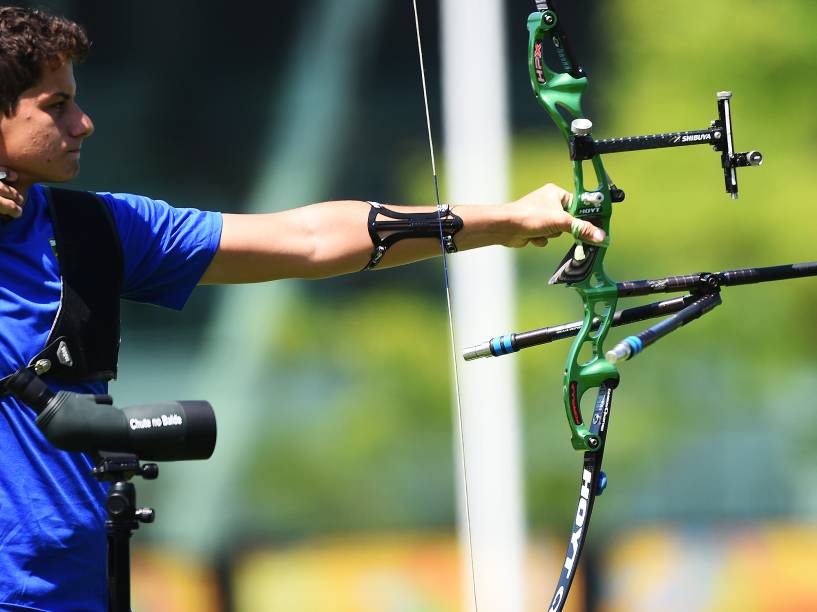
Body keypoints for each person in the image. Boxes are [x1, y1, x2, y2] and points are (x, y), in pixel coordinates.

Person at [0, 6, 604, 610]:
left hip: (82, 592)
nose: (83, 123)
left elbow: (311, 240)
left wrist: (505, 220)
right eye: (54, 107)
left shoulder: (94, 230)